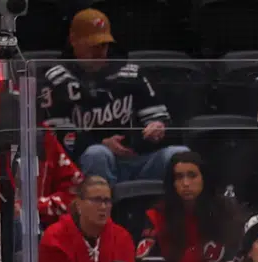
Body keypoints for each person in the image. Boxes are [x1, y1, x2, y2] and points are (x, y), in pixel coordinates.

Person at [41, 8, 183, 185]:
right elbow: (58, 136)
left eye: (103, 45)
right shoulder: (57, 79)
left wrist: (158, 128)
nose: (99, 52)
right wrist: (102, 143)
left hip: (135, 158)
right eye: (91, 46)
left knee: (178, 155)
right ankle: (101, 202)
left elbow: (162, 120)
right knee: (98, 154)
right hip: (84, 162)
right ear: (73, 41)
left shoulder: (131, 73)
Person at [140, 152, 238, 262]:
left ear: (204, 179)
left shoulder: (226, 214)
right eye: (179, 177)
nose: (186, 183)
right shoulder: (156, 216)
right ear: (172, 183)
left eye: (192, 176)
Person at [38, 177, 140, 262]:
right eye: (96, 200)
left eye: (107, 201)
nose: (103, 207)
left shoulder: (122, 236)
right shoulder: (55, 236)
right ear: (79, 204)